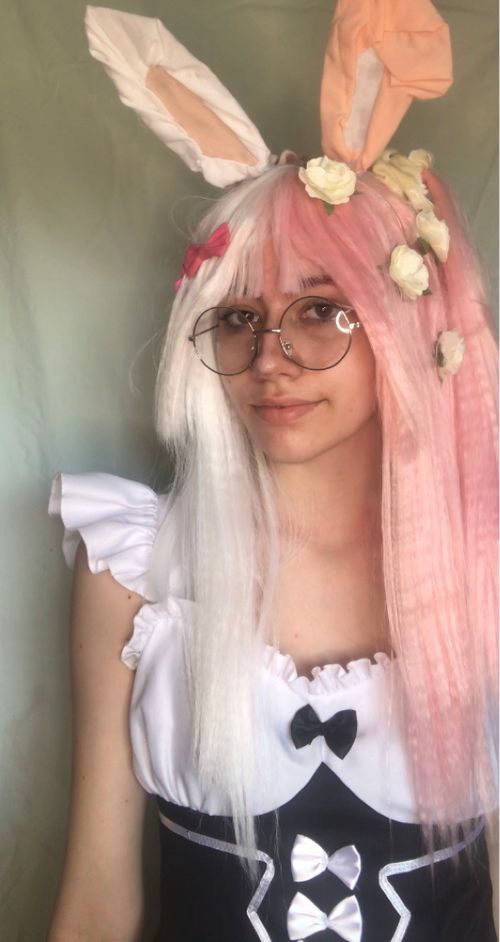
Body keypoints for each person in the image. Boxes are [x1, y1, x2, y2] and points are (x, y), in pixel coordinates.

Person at [47, 4, 498, 941]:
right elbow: (97, 898)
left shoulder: (481, 568)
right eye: (240, 318)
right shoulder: (133, 574)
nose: (270, 358)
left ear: (403, 326)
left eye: (322, 311)